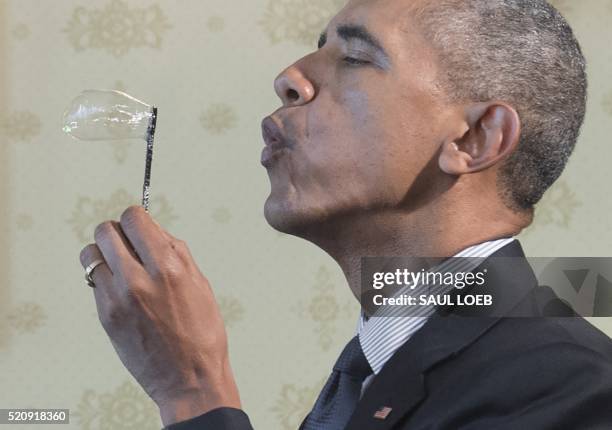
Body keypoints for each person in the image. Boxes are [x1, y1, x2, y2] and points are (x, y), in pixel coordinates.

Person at [79, 0, 612, 429]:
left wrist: (195, 394)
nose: (289, 79)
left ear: (476, 138)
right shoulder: (371, 374)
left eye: (356, 58)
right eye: (318, 48)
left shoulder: (576, 389)